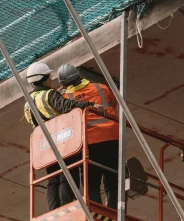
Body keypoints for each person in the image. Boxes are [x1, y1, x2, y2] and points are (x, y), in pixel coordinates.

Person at [24, 61, 102, 211]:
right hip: (62, 140)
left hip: (44, 145)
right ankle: (66, 207)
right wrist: (90, 105)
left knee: (53, 178)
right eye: (49, 77)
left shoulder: (28, 102)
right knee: (68, 174)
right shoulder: (49, 94)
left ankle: (53, 209)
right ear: (45, 79)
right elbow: (66, 107)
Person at [58, 64, 119, 210]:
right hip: (112, 137)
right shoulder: (101, 88)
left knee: (92, 182)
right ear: (79, 75)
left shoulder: (66, 98)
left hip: (91, 141)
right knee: (113, 179)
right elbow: (113, 104)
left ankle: (96, 210)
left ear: (63, 83)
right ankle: (115, 210)